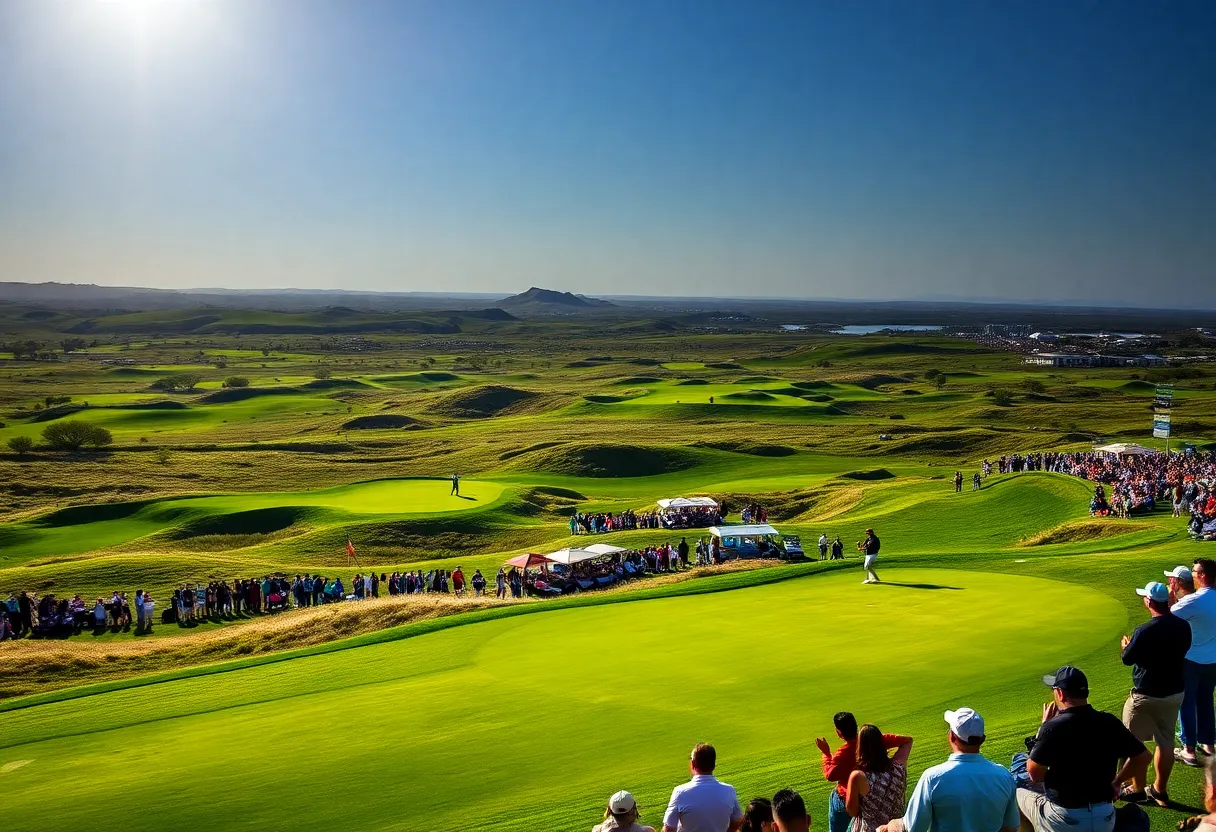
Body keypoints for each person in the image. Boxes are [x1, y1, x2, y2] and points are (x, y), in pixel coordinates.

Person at [1012, 666, 1149, 832]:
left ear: (1060, 694)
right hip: (1104, 818)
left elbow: (1035, 774)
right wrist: (1117, 782)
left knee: (1017, 793)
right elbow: (1143, 757)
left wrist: (1042, 729)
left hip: (1063, 819)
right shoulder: (1108, 721)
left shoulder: (1052, 728)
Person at [879, 708, 1018, 832]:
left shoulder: (933, 778)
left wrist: (891, 825)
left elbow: (913, 827)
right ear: (982, 740)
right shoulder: (1004, 776)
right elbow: (1011, 827)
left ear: (951, 736)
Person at [1119, 580, 1191, 804]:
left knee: (1131, 743)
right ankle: (1159, 789)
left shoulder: (1145, 630)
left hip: (1146, 695)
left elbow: (1127, 659)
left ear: (1149, 601)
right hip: (1173, 693)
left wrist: (1126, 645)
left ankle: (1137, 789)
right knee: (1166, 741)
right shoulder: (1183, 626)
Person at [818, 712, 912, 832]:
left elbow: (830, 775)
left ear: (838, 732)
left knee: (836, 797)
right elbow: (907, 741)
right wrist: (876, 739)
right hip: (893, 818)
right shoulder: (898, 768)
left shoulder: (852, 769)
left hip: (854, 802)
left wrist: (825, 753)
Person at [1173, 559, 1216, 767]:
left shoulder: (1195, 601)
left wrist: (1172, 594)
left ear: (1203, 576)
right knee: (1206, 700)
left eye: (1195, 571)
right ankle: (1208, 743)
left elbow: (1167, 616)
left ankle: (1188, 749)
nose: (1192, 574)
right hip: (1213, 659)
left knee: (1187, 702)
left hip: (1192, 658)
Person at [662, 743, 744, 832]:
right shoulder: (729, 791)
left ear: (693, 764)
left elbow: (669, 828)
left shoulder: (680, 792)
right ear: (714, 765)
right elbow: (737, 821)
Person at [846, 725, 913, 832]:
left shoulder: (858, 776)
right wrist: (879, 739)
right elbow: (908, 740)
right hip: (897, 828)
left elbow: (852, 811)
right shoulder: (898, 765)